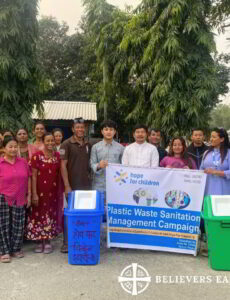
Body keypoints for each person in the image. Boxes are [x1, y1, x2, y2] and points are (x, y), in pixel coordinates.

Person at [26, 133, 63, 254]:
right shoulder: (37, 156)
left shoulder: (57, 156)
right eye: (48, 141)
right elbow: (34, 176)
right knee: (37, 215)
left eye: (52, 140)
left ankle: (47, 241)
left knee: (50, 215)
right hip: (39, 193)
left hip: (52, 193)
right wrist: (34, 194)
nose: (50, 143)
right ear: (43, 141)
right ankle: (38, 241)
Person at [60, 118, 91, 253]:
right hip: (72, 186)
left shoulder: (88, 144)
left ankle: (82, 240)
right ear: (73, 129)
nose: (80, 129)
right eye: (77, 127)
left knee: (83, 214)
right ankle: (66, 243)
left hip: (86, 186)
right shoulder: (65, 144)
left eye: (82, 127)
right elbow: (62, 165)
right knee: (69, 214)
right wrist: (67, 185)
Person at [0, 136, 31, 262]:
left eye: (15, 146)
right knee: (3, 225)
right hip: (3, 197)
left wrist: (29, 194)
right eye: (10, 146)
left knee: (18, 223)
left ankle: (16, 249)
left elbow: (29, 178)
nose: (13, 149)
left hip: (20, 196)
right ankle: (4, 251)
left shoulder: (23, 162)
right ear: (4, 148)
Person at [90, 120, 124, 192]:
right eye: (106, 129)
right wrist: (99, 165)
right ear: (102, 131)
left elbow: (124, 166)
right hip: (99, 185)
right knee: (99, 203)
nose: (108, 132)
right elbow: (92, 164)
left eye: (111, 130)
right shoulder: (95, 147)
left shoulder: (121, 148)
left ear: (115, 132)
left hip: (115, 185)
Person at [200, 128, 230, 195]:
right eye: (211, 136)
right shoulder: (206, 153)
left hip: (224, 192)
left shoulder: (228, 153)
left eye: (214, 137)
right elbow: (201, 170)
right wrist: (189, 171)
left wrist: (215, 172)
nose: (211, 139)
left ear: (222, 139)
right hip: (207, 191)